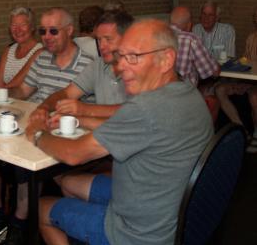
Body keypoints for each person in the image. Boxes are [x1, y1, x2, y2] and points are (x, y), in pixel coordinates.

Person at [27, 19, 213, 245]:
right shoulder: (187, 92)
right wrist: (78, 119)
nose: (120, 66)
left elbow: (73, 154)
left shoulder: (145, 109)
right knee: (69, 183)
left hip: (138, 233)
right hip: (171, 209)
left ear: (166, 59)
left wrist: (38, 134)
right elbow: (126, 128)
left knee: (41, 207)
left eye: (133, 57)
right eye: (121, 56)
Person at [0, 7, 93, 245]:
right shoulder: (43, 58)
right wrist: (4, 93)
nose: (46, 36)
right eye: (43, 31)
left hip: (61, 129)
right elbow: (24, 91)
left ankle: (18, 224)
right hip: (33, 119)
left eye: (53, 31)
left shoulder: (88, 65)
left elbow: (89, 108)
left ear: (70, 31)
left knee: (23, 161)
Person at [29, 10, 134, 127]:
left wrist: (85, 109)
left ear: (127, 38)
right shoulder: (98, 65)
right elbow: (66, 93)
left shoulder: (140, 67)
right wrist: (44, 108)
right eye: (99, 40)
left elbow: (136, 111)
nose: (102, 46)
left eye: (108, 39)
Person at [215, 6, 257, 152]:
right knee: (220, 89)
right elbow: (246, 61)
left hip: (254, 85)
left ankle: (256, 135)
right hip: (246, 81)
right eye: (255, 16)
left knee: (254, 97)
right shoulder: (251, 37)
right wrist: (240, 77)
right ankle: (242, 131)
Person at [0, 6, 43, 90]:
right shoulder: (9, 50)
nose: (18, 30)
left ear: (32, 27)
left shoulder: (40, 51)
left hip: (29, 102)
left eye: (23, 25)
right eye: (14, 25)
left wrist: (0, 92)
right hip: (7, 99)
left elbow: (16, 84)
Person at [170, 6, 220, 86]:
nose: (206, 18)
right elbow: (215, 72)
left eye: (210, 15)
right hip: (185, 94)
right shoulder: (190, 40)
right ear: (189, 24)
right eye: (204, 14)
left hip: (160, 93)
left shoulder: (157, 36)